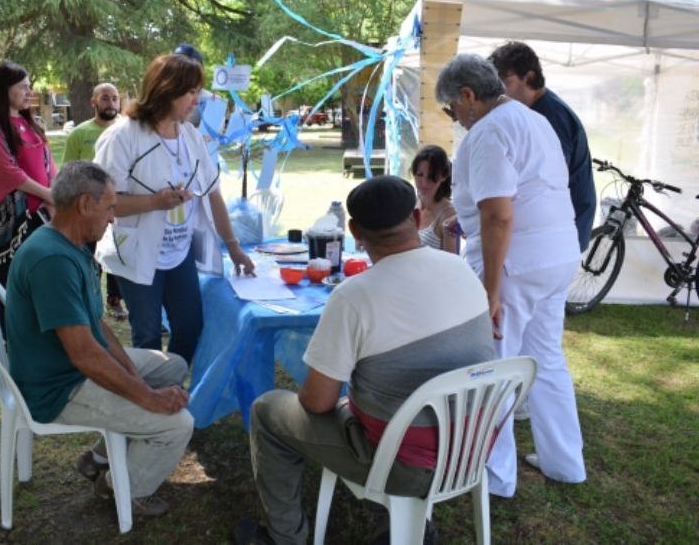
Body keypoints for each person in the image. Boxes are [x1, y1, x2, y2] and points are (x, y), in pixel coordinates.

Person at [234, 175, 495, 545]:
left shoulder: (354, 296)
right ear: (418, 219)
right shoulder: (462, 269)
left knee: (266, 410)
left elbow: (317, 402)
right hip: (470, 446)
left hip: (405, 463)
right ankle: (408, 526)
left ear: (354, 231)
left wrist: (346, 402)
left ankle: (283, 538)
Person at [435, 53, 587, 498]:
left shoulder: (488, 130)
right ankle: (565, 462)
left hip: (517, 263)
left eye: (452, 109)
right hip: (557, 254)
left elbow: (500, 216)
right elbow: (522, 194)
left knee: (495, 368)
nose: (455, 119)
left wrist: (490, 291)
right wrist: (466, 219)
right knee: (546, 359)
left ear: (468, 96)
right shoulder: (532, 118)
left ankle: (496, 478)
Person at [5, 161, 193, 517]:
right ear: (84, 205)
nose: (112, 217)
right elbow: (86, 356)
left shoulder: (70, 245)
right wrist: (147, 398)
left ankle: (97, 459)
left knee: (174, 366)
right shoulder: (52, 261)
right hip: (57, 388)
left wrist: (136, 381)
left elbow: (97, 327)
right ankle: (119, 489)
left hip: (70, 369)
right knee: (176, 426)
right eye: (109, 207)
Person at [94, 54, 254, 365]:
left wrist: (233, 248)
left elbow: (212, 194)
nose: (197, 100)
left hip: (179, 253)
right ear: (167, 90)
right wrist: (153, 203)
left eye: (198, 91)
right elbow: (103, 202)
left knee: (191, 327)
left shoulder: (190, 136)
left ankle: (173, 385)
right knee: (149, 336)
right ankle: (150, 403)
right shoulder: (122, 137)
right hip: (138, 253)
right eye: (191, 92)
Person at [488, 41, 596, 252]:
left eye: (503, 81)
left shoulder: (551, 114)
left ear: (528, 78)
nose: (497, 90)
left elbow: (546, 177)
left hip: (564, 228)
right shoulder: (532, 111)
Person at [0, 61, 56, 329]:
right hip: (15, 219)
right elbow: (5, 171)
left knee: (41, 275)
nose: (29, 91)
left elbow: (48, 162)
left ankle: (37, 335)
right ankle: (9, 338)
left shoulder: (29, 121)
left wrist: (52, 195)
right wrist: (47, 194)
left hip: (43, 211)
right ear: (4, 89)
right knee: (11, 276)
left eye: (29, 86)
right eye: (22, 87)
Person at [62, 82, 128, 321]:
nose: (110, 103)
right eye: (104, 98)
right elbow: (69, 170)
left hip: (120, 205)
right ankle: (90, 303)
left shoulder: (127, 130)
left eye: (114, 98)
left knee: (117, 253)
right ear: (93, 102)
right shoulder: (80, 133)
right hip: (88, 208)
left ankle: (114, 300)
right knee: (89, 256)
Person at [410, 144, 458, 253]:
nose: (424, 183)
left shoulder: (448, 216)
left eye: (432, 177)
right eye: (420, 174)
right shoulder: (411, 204)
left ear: (443, 176)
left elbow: (451, 264)